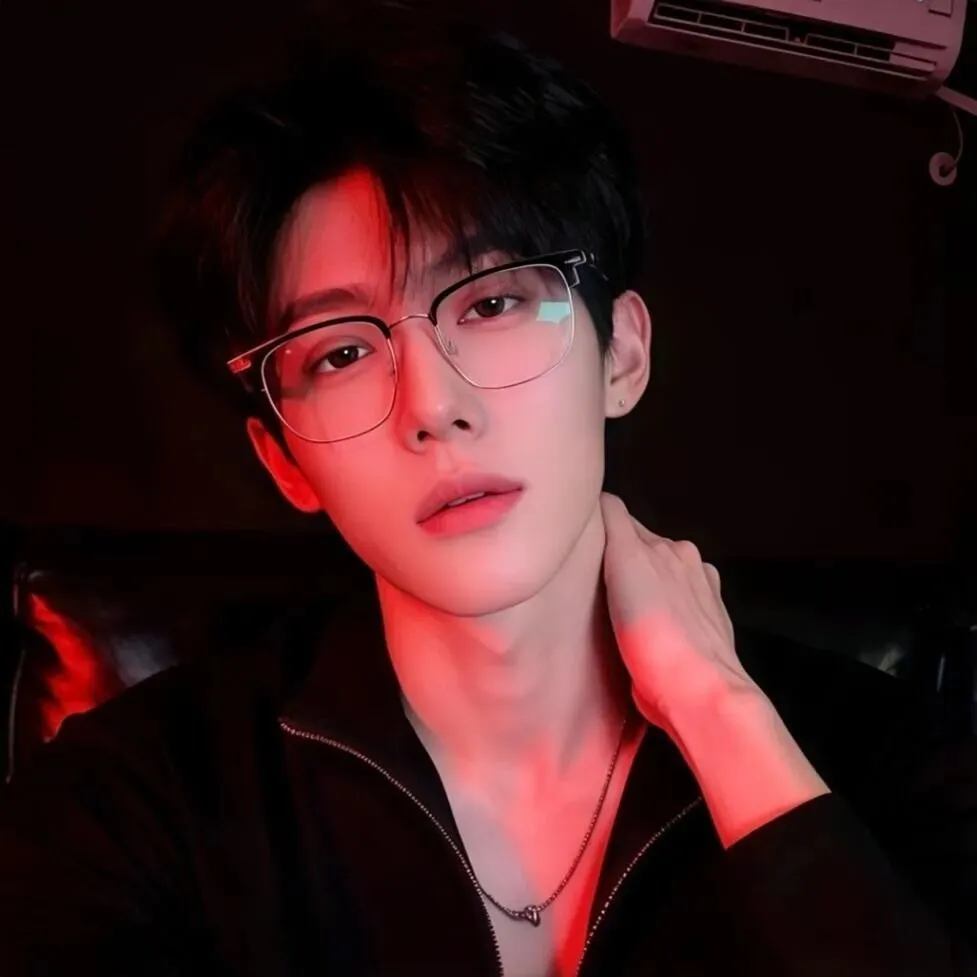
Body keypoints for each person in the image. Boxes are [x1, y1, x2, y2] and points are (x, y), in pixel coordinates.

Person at [2, 4, 976, 976]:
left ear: (621, 353)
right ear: (283, 460)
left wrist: (722, 718)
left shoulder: (883, 760)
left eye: (494, 300)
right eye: (339, 352)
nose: (434, 407)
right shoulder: (134, 801)